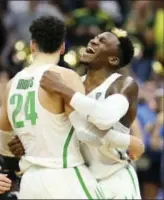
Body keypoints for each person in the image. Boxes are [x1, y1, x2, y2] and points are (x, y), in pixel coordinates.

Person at [8, 28, 144, 199]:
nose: (93, 41)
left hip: (115, 179)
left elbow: (104, 118)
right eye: (94, 38)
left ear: (113, 59)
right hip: (80, 179)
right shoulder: (73, 85)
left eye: (102, 41)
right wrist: (28, 142)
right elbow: (64, 132)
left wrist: (63, 89)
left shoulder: (123, 84)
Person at [0, 16, 102, 199]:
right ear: (63, 47)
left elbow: (1, 144)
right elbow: (89, 135)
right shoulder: (65, 77)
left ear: (32, 46)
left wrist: (19, 145)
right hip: (64, 176)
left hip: (30, 183)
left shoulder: (12, 84)